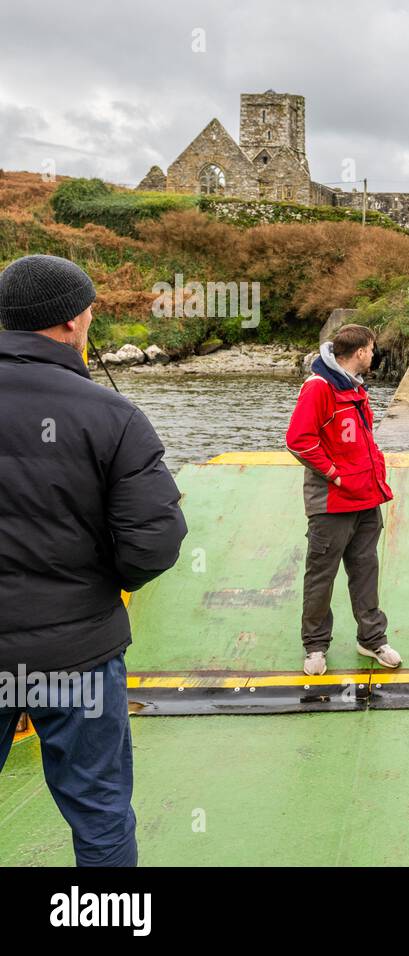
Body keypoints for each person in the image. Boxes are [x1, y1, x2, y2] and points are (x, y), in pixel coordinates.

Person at [0, 254, 187, 866]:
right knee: (100, 815)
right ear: (77, 321)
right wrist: (95, 585)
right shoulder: (112, 416)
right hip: (77, 654)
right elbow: (154, 541)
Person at [286, 324, 402, 675]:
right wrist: (336, 475)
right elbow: (299, 440)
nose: (374, 354)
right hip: (331, 504)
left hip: (365, 498)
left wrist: (373, 472)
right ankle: (315, 646)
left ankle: (371, 638)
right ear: (361, 351)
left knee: (365, 568)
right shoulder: (319, 388)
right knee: (322, 574)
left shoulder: (353, 388)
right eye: (372, 348)